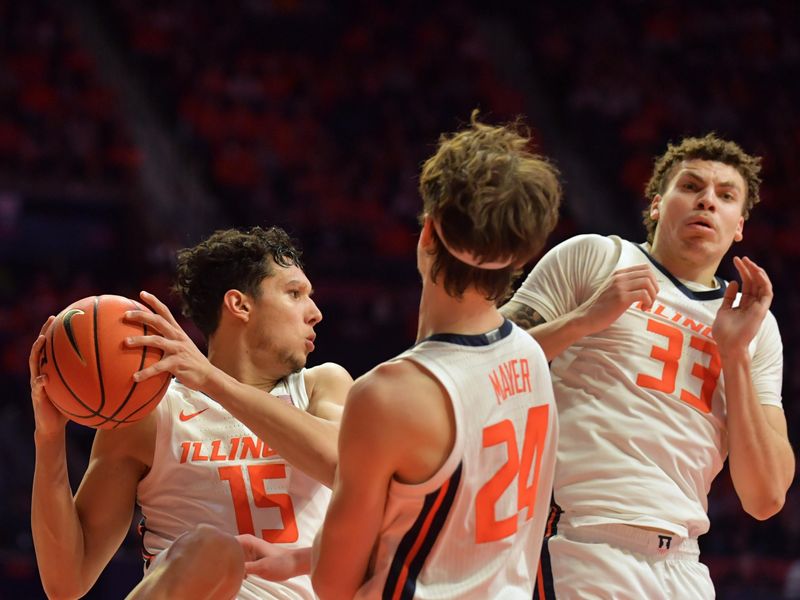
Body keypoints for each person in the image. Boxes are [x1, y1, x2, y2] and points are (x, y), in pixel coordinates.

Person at [242, 112, 563, 598]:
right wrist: (297, 558)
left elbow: (334, 582)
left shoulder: (389, 395)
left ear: (428, 233)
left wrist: (319, 555)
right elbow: (462, 541)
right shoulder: (531, 356)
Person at [501, 134, 794, 599]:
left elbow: (766, 498)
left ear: (739, 226)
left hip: (683, 563)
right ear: (657, 204)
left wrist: (735, 356)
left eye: (725, 196)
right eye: (691, 186)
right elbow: (481, 362)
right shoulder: (597, 258)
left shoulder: (755, 326)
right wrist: (583, 321)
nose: (706, 201)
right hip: (578, 539)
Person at [30, 226, 352, 599]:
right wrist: (50, 439)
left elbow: (341, 465)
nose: (315, 313)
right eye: (295, 294)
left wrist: (210, 380)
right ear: (240, 305)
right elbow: (65, 582)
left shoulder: (320, 385)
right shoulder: (151, 413)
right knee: (209, 549)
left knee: (211, 547)